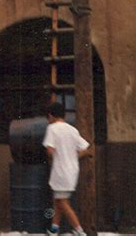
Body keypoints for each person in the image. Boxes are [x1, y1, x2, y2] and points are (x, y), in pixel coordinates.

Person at [43, 101, 93, 236]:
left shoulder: (52, 128)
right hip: (72, 170)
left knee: (62, 202)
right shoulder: (72, 130)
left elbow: (50, 150)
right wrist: (72, 156)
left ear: (50, 116)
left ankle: (79, 230)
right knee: (58, 199)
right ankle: (54, 228)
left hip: (60, 171)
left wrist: (53, 155)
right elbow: (86, 148)